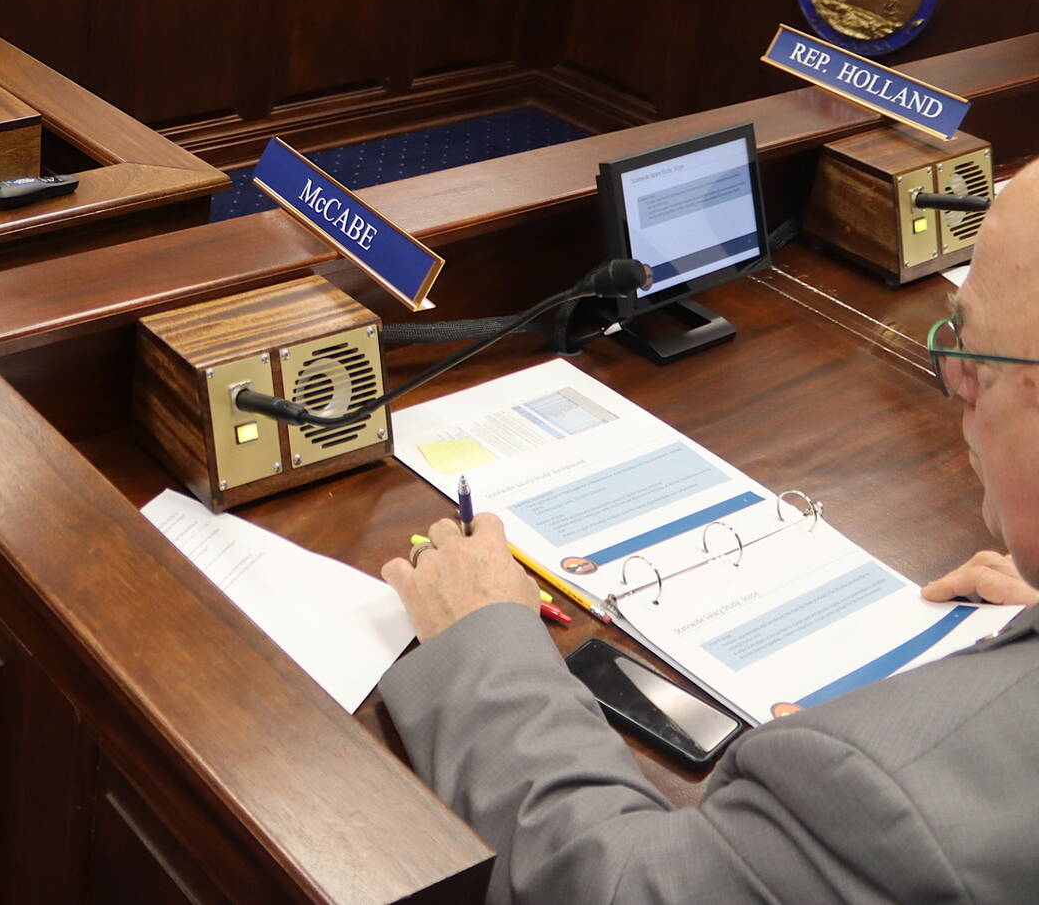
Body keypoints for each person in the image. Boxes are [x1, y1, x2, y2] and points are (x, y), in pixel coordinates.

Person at [376, 174, 1039, 903]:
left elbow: (613, 884)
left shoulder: (872, 786)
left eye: (972, 357)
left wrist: (482, 643)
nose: (956, 390)